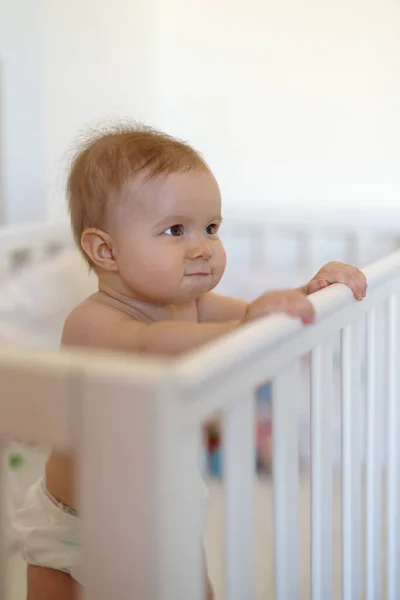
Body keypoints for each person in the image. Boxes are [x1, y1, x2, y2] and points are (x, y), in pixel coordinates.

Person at [13, 123, 367, 599]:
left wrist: (310, 293)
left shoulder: (194, 304)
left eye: (212, 228)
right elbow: (150, 343)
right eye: (175, 230)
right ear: (105, 250)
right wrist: (242, 329)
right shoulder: (93, 321)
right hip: (75, 517)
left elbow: (260, 315)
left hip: (160, 500)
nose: (202, 247)